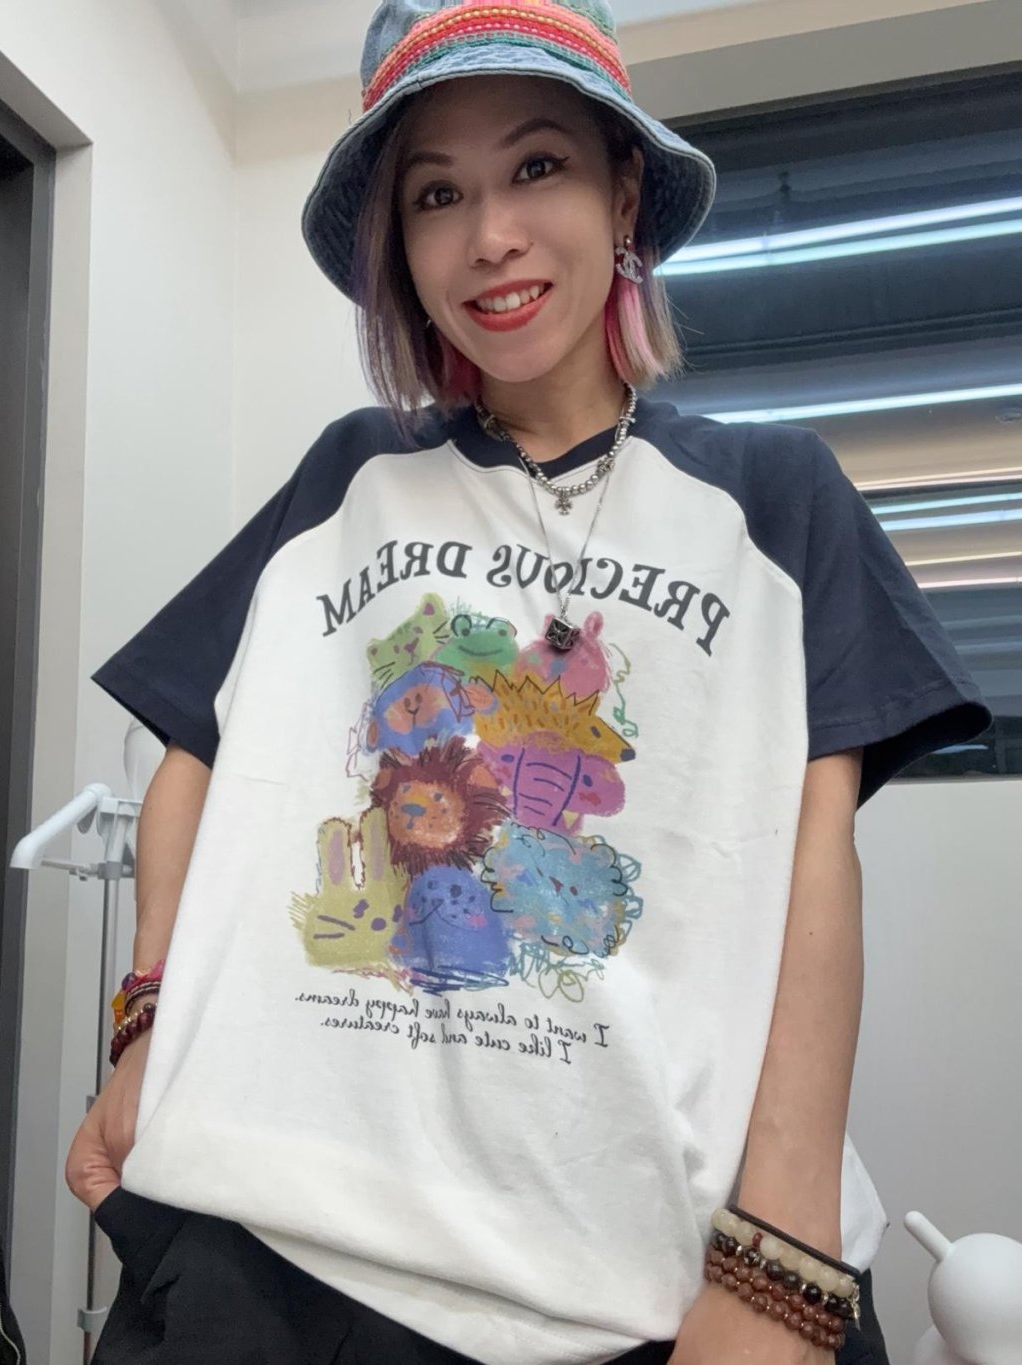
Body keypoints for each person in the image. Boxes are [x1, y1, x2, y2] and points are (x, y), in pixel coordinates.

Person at [67, 2, 992, 1363]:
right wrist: (147, 1021)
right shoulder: (350, 476)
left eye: (538, 165)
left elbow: (810, 863)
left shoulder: (771, 500)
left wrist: (783, 1258)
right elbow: (191, 754)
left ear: (624, 193)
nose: (489, 234)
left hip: (641, 1279)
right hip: (283, 1250)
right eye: (437, 194)